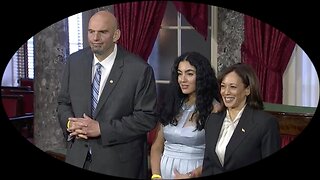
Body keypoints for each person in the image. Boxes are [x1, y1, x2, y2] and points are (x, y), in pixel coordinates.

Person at [57, 10, 158, 179]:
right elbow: (63, 103)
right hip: (78, 158)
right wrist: (70, 124)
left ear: (116, 34)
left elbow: (146, 118)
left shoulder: (139, 70)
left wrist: (102, 129)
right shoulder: (74, 62)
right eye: (91, 32)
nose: (95, 38)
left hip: (119, 166)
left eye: (102, 32)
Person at [150, 52, 221, 179]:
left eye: (189, 74)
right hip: (164, 174)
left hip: (195, 173)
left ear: (201, 77)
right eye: (179, 73)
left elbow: (216, 156)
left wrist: (192, 175)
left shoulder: (214, 108)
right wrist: (156, 175)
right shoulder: (171, 103)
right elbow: (157, 146)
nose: (182, 79)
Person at [202, 63, 281, 176]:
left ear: (247, 90)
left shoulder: (265, 123)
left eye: (232, 87)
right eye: (223, 86)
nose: (226, 92)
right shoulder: (212, 120)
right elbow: (208, 165)